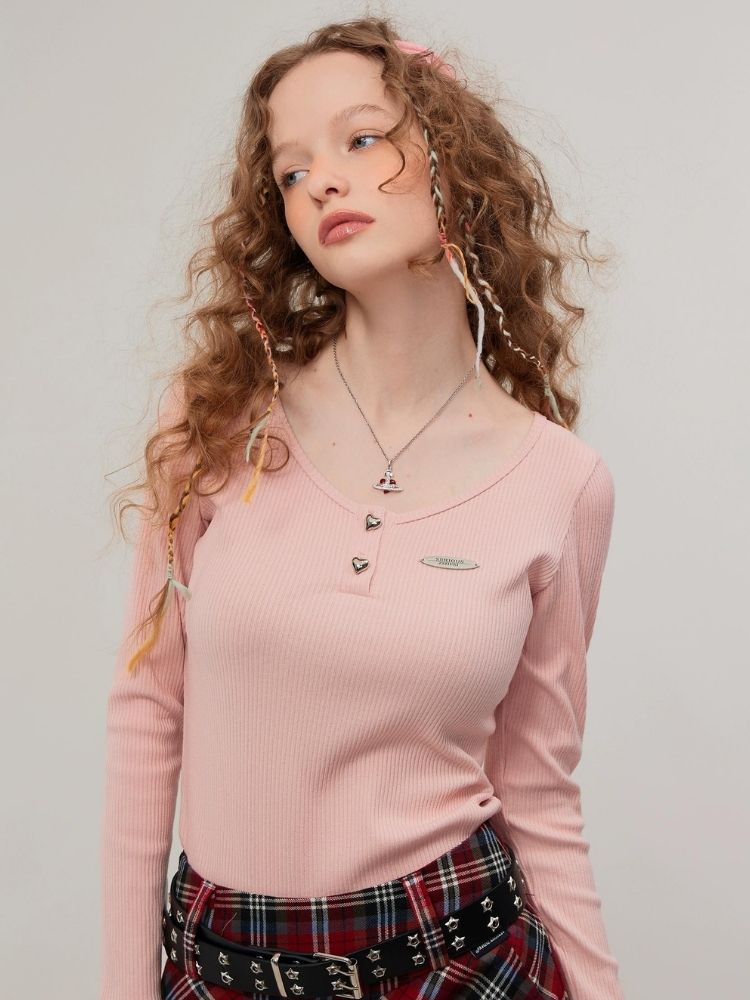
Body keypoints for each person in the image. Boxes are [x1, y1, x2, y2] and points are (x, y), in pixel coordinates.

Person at [100, 15, 625, 1000]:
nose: (322, 182)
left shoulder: (561, 482)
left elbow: (539, 789)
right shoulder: (214, 422)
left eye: (362, 138)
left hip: (457, 960)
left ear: (454, 159)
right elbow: (148, 712)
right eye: (291, 171)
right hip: (222, 965)